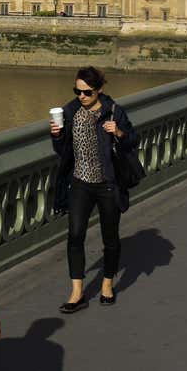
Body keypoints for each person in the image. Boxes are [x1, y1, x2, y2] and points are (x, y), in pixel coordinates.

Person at [50, 66, 137, 312]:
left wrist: (118, 132)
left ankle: (107, 285)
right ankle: (77, 292)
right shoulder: (70, 112)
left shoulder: (113, 111)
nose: (81, 96)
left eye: (87, 92)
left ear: (99, 90)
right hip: (79, 183)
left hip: (107, 184)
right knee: (75, 235)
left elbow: (133, 139)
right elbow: (62, 151)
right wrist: (56, 136)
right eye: (77, 91)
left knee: (110, 238)